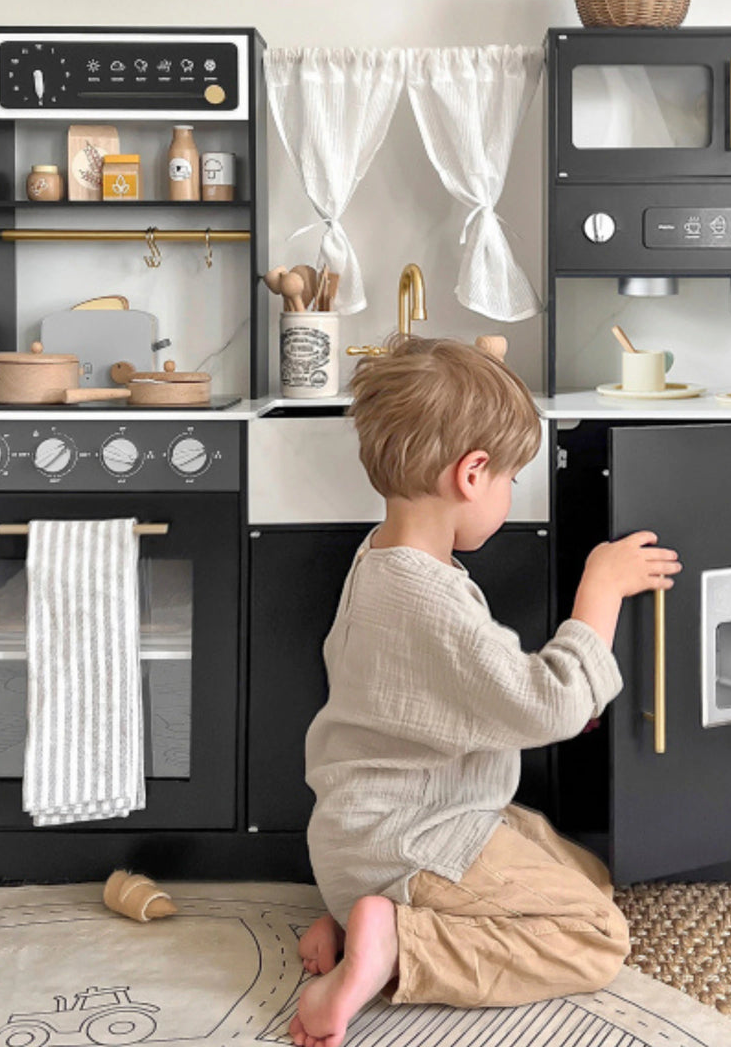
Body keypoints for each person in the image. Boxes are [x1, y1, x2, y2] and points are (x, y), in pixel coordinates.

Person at [290, 336, 680, 1047]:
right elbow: (551, 703)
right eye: (509, 480)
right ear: (471, 474)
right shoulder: (430, 600)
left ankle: (356, 920)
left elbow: (442, 698)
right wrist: (601, 588)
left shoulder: (382, 556)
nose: (508, 494)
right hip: (412, 842)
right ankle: (401, 947)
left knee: (584, 871)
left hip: (366, 834)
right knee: (594, 933)